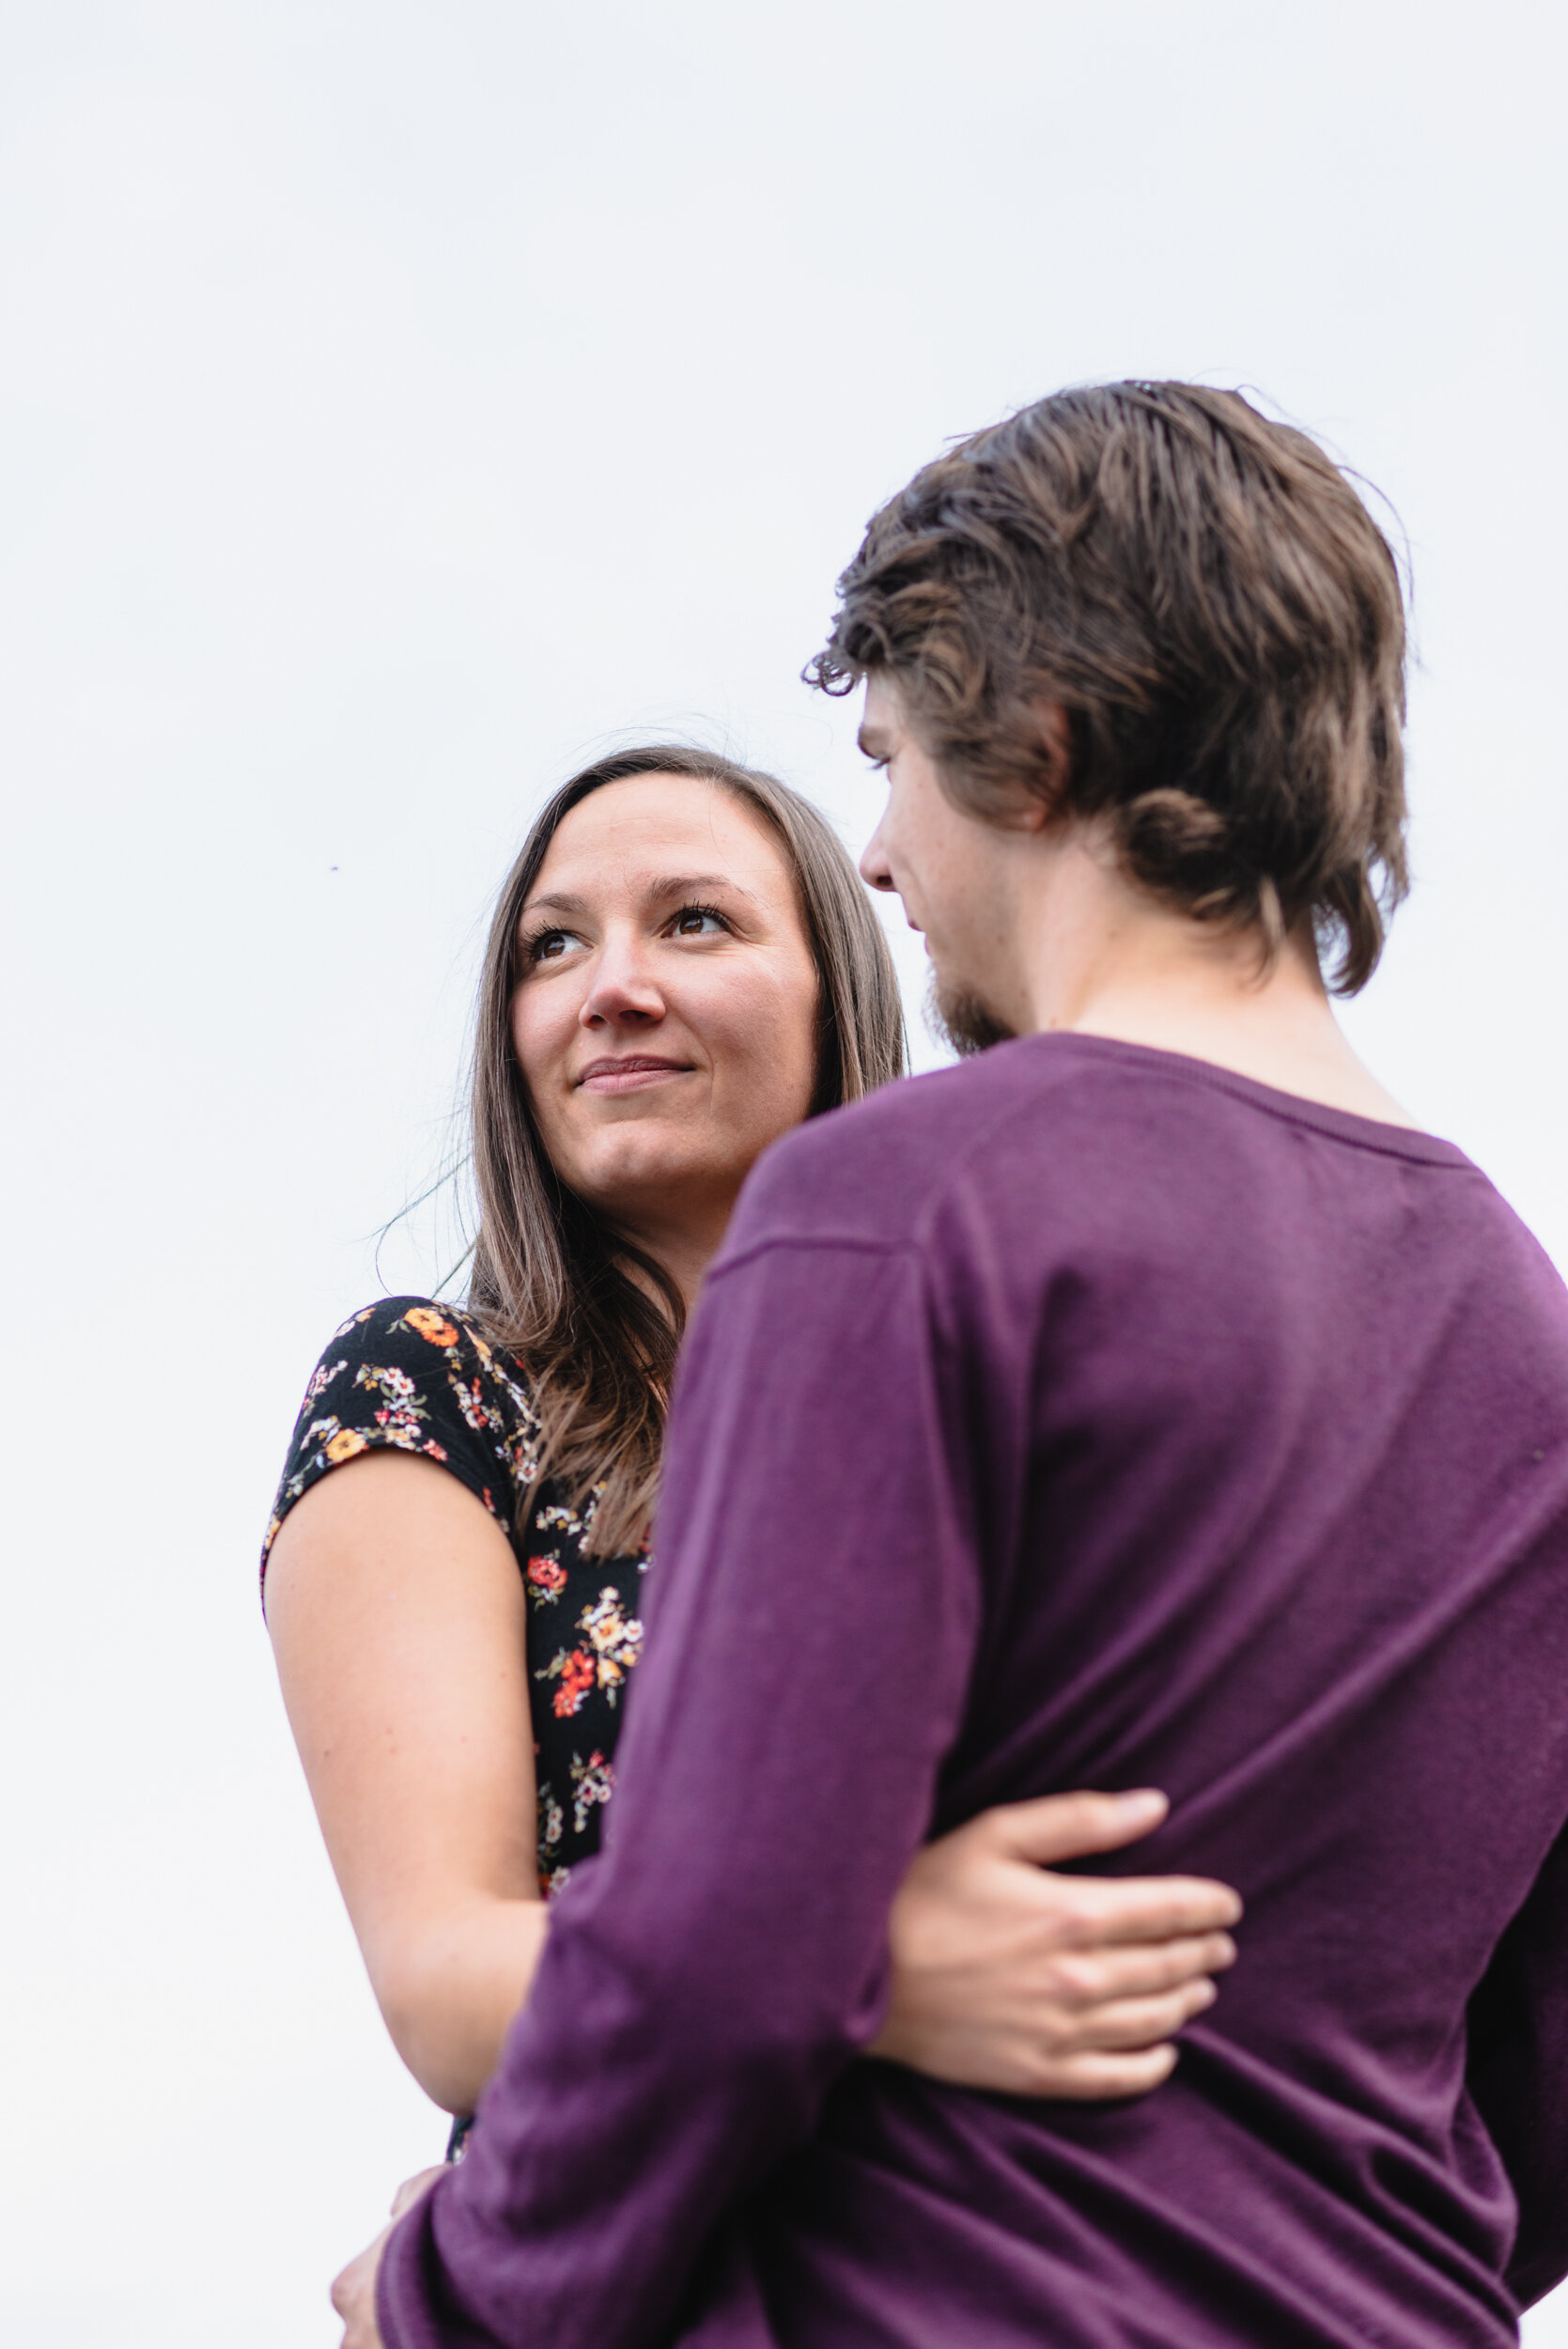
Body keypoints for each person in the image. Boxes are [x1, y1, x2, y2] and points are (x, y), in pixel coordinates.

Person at [336, 381, 1568, 2349]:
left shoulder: (896, 1202)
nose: (889, 860)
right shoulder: (1528, 1323)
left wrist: (438, 2283)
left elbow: (721, 1958)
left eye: (893, 759)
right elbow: (1539, 2077)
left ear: (1040, 742)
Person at [263, 752, 1241, 2153]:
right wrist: (880, 1977)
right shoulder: (435, 1391)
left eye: (694, 921)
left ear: (835, 989)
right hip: (646, 2251)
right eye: (554, 944)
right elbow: (448, 1992)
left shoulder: (1015, 1384)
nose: (611, 987)